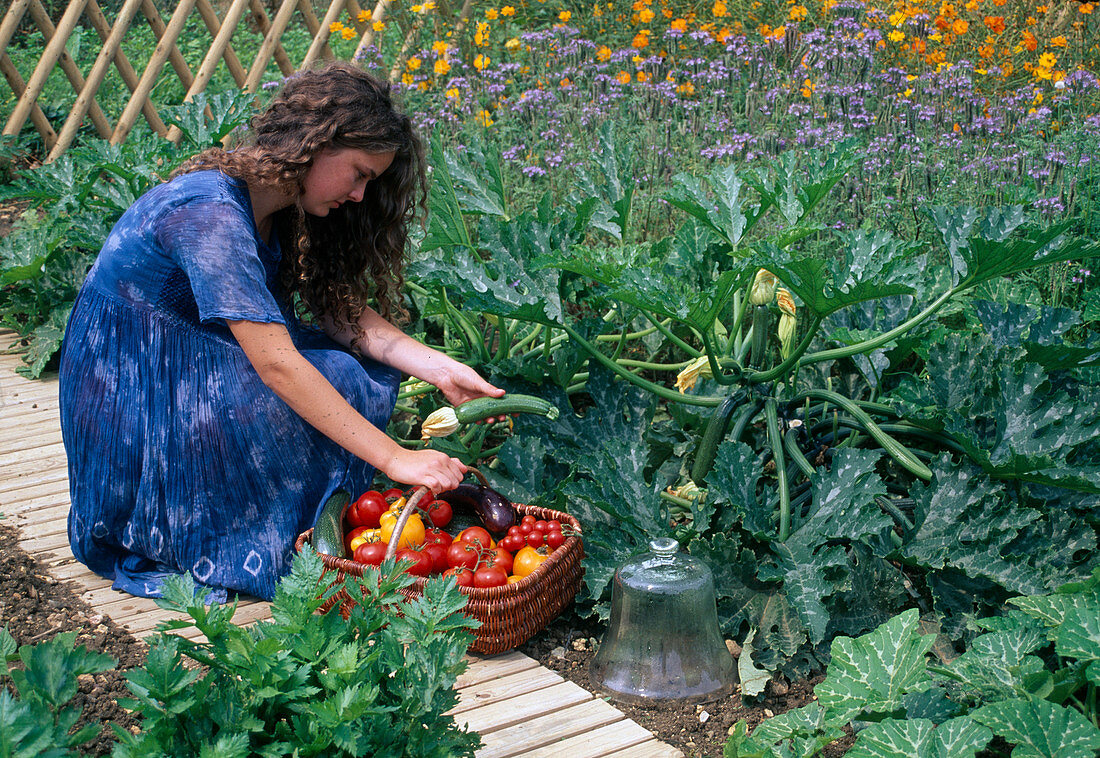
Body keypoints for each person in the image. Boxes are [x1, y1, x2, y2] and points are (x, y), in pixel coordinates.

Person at [58, 62, 503, 602]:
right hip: (135, 390)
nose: (361, 195)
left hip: (194, 360)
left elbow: (340, 313)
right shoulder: (209, 212)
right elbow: (275, 363)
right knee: (326, 375)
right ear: (313, 143)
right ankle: (251, 537)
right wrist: (395, 458)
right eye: (359, 173)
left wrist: (441, 367)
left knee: (354, 371)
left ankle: (309, 531)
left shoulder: (282, 207)